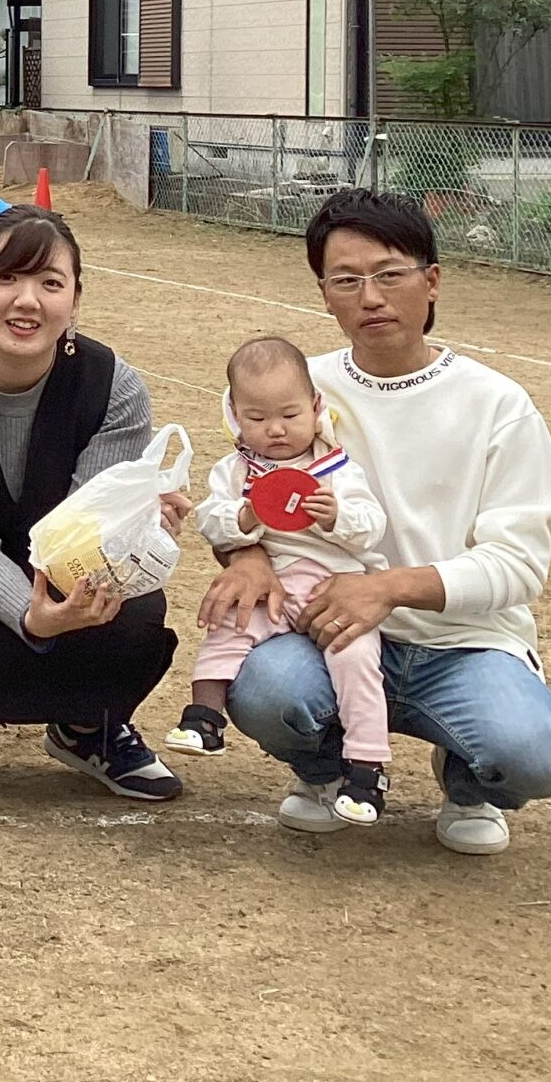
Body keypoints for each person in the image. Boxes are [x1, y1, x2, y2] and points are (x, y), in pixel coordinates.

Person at [210, 189, 551, 854]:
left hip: (462, 643)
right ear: (324, 294)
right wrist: (245, 555)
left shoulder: (497, 405)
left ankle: (469, 779)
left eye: (389, 274)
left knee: (534, 754)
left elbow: (521, 564)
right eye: (346, 280)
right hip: (325, 632)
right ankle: (323, 771)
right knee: (265, 689)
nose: (371, 297)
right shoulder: (295, 394)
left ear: (431, 281)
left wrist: (388, 588)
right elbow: (236, 497)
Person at [0, 204, 188, 803]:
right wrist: (30, 614)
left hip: (63, 564)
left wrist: (139, 526)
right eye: (7, 278)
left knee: (135, 621)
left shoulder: (114, 387)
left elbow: (86, 531)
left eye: (50, 282)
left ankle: (87, 728)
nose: (27, 301)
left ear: (75, 298)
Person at [170, 337, 390, 822]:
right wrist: (242, 519)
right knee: (229, 620)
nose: (274, 430)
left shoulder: (337, 469)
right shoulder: (236, 470)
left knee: (356, 661)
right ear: (234, 415)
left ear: (315, 407)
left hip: (334, 589)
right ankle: (204, 716)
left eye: (289, 416)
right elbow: (210, 520)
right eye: (256, 418)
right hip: (273, 587)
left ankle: (367, 767)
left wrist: (337, 518)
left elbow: (372, 529)